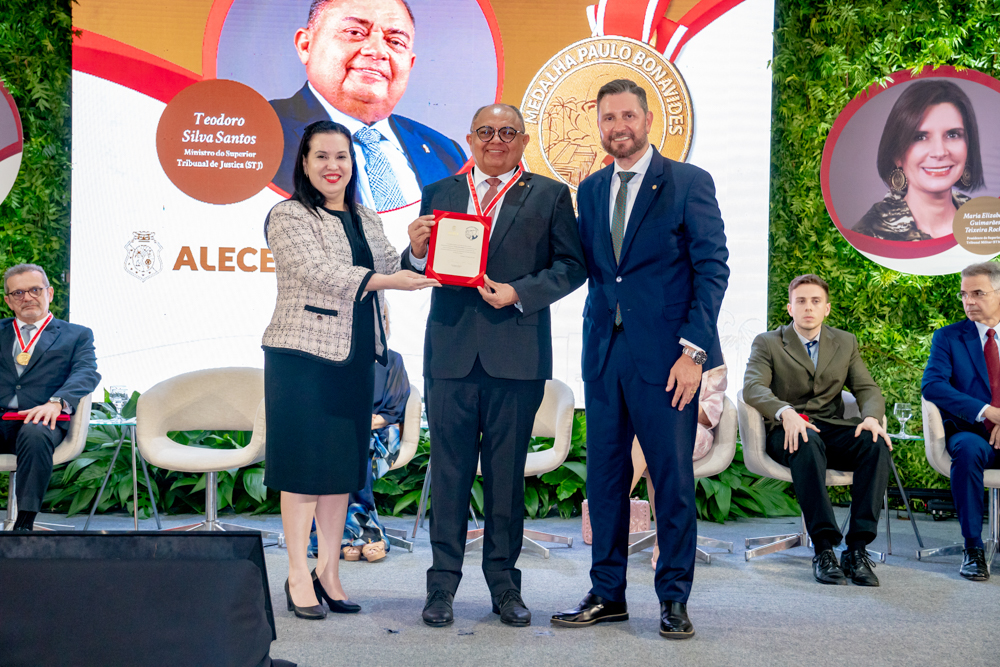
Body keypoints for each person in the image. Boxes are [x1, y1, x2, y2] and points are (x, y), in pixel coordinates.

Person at [551, 79, 729, 640]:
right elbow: (588, 269)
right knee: (605, 481)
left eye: (628, 115)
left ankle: (673, 598)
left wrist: (694, 352)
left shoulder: (688, 183)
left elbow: (713, 270)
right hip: (605, 358)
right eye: (608, 118)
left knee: (671, 481)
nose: (618, 127)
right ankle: (607, 595)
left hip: (670, 362)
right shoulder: (590, 189)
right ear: (599, 126)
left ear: (649, 120)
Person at [403, 103, 586, 628]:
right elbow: (416, 267)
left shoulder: (549, 195)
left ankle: (505, 587)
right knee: (449, 475)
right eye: (486, 131)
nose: (496, 140)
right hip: (450, 355)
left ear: (523, 141)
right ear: (470, 138)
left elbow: (572, 267)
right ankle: (441, 587)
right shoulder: (440, 192)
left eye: (508, 132)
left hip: (517, 356)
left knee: (506, 479)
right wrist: (414, 252)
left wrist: (519, 292)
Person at [261, 119, 437, 620]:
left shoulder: (364, 215)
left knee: (341, 470)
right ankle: (298, 573)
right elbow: (317, 273)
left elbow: (391, 265)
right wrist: (388, 280)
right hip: (303, 359)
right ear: (304, 162)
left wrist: (416, 251)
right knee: (303, 470)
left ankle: (329, 572)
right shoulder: (288, 215)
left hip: (357, 358)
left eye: (341, 156)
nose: (332, 166)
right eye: (321, 156)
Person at [743, 274, 892, 586]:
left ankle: (857, 549)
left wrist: (871, 418)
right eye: (801, 301)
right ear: (790, 308)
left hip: (830, 427)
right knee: (806, 440)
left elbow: (867, 388)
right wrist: (785, 412)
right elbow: (753, 387)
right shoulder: (768, 342)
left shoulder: (845, 342)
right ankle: (824, 549)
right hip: (786, 431)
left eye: (815, 301)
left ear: (827, 308)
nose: (808, 307)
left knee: (874, 442)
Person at [269, 0, 467, 209]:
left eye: (395, 41)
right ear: (306, 46)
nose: (378, 51)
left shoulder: (446, 153)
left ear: (410, 64)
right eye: (355, 32)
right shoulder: (261, 134)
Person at [1, 263, 100, 531]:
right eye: (18, 293)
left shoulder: (76, 335)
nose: (27, 298)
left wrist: (56, 403)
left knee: (35, 432)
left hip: (43, 418)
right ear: (8, 301)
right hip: (1, 418)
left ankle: (24, 525)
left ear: (50, 293)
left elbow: (86, 372)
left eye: (35, 290)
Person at [922, 261, 1000, 581]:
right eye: (964, 294)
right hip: (971, 432)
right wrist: (987, 411)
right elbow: (933, 385)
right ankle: (973, 548)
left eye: (978, 293)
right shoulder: (949, 337)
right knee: (966, 450)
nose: (969, 301)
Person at [853, 79, 984, 241]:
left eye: (952, 135)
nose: (939, 152)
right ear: (897, 154)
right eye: (920, 137)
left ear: (968, 147)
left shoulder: (984, 222)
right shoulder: (868, 235)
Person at [632, 363, 728, 569]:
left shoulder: (713, 360)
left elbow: (710, 413)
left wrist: (678, 399)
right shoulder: (655, 352)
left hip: (694, 427)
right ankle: (664, 538)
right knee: (653, 436)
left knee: (657, 436)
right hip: (653, 427)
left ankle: (612, 509)